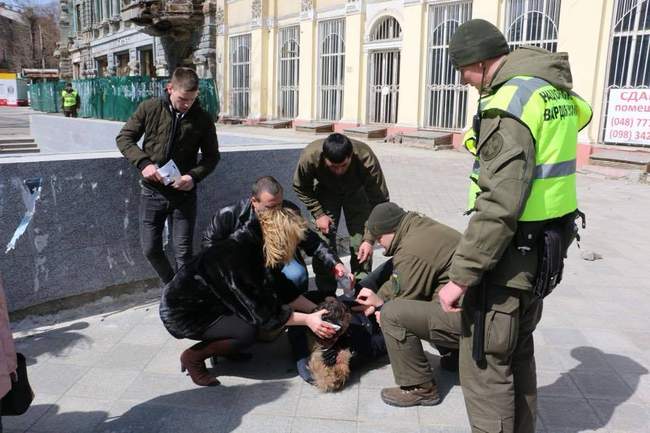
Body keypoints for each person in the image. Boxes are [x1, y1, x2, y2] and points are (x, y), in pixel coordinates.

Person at [438, 19, 592, 433]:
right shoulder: (551, 89)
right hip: (544, 251)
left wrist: (462, 275)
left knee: (486, 365)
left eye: (463, 71)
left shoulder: (509, 102)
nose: (464, 81)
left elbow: (500, 203)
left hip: (506, 260)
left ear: (481, 61)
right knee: (518, 353)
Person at [159, 207, 338, 387]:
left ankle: (225, 348)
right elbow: (265, 314)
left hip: (214, 302)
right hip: (184, 313)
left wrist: (314, 310)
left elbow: (282, 288)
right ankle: (193, 358)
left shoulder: (257, 243)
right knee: (246, 332)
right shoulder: (239, 260)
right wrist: (308, 320)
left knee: (247, 322)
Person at [351, 202, 462, 407]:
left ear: (390, 230)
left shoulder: (411, 252)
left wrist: (380, 304)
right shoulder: (415, 224)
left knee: (393, 314)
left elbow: (405, 296)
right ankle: (460, 356)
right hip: (475, 309)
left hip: (472, 323)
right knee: (423, 295)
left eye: (378, 239)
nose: (378, 244)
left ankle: (420, 388)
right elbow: (406, 280)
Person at [116, 67, 220, 284]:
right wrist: (144, 163)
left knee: (183, 253)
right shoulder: (150, 107)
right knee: (150, 248)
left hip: (183, 194)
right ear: (170, 88)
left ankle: (182, 297)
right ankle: (172, 286)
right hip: (152, 192)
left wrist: (192, 177)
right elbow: (124, 138)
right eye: (182, 99)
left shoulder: (202, 118)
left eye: (191, 99)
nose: (186, 104)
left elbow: (212, 157)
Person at [202, 175, 353, 293]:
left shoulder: (289, 211)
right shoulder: (229, 215)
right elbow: (208, 245)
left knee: (296, 275)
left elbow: (314, 243)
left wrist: (336, 264)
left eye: (280, 204)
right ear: (254, 201)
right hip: (244, 263)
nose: (277, 210)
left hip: (281, 259)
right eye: (271, 206)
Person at [293, 133, 389, 294]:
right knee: (323, 241)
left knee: (361, 243)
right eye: (333, 167)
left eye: (343, 165)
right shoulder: (310, 156)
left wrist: (370, 237)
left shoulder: (366, 158)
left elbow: (380, 201)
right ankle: (327, 294)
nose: (338, 171)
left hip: (357, 192)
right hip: (326, 191)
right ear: (324, 158)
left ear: (351, 156)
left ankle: (361, 291)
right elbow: (301, 187)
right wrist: (318, 213)